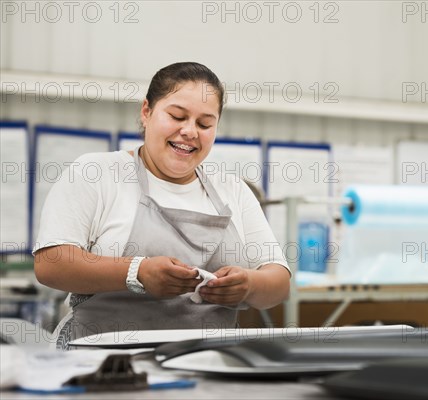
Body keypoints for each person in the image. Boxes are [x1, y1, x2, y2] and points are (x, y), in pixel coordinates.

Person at [33, 62, 291, 349]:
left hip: (203, 365)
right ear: (147, 112)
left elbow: (278, 282)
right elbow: (50, 263)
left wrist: (249, 286)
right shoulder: (97, 173)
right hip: (100, 364)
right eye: (177, 116)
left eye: (205, 124)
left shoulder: (234, 190)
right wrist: (137, 272)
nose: (190, 131)